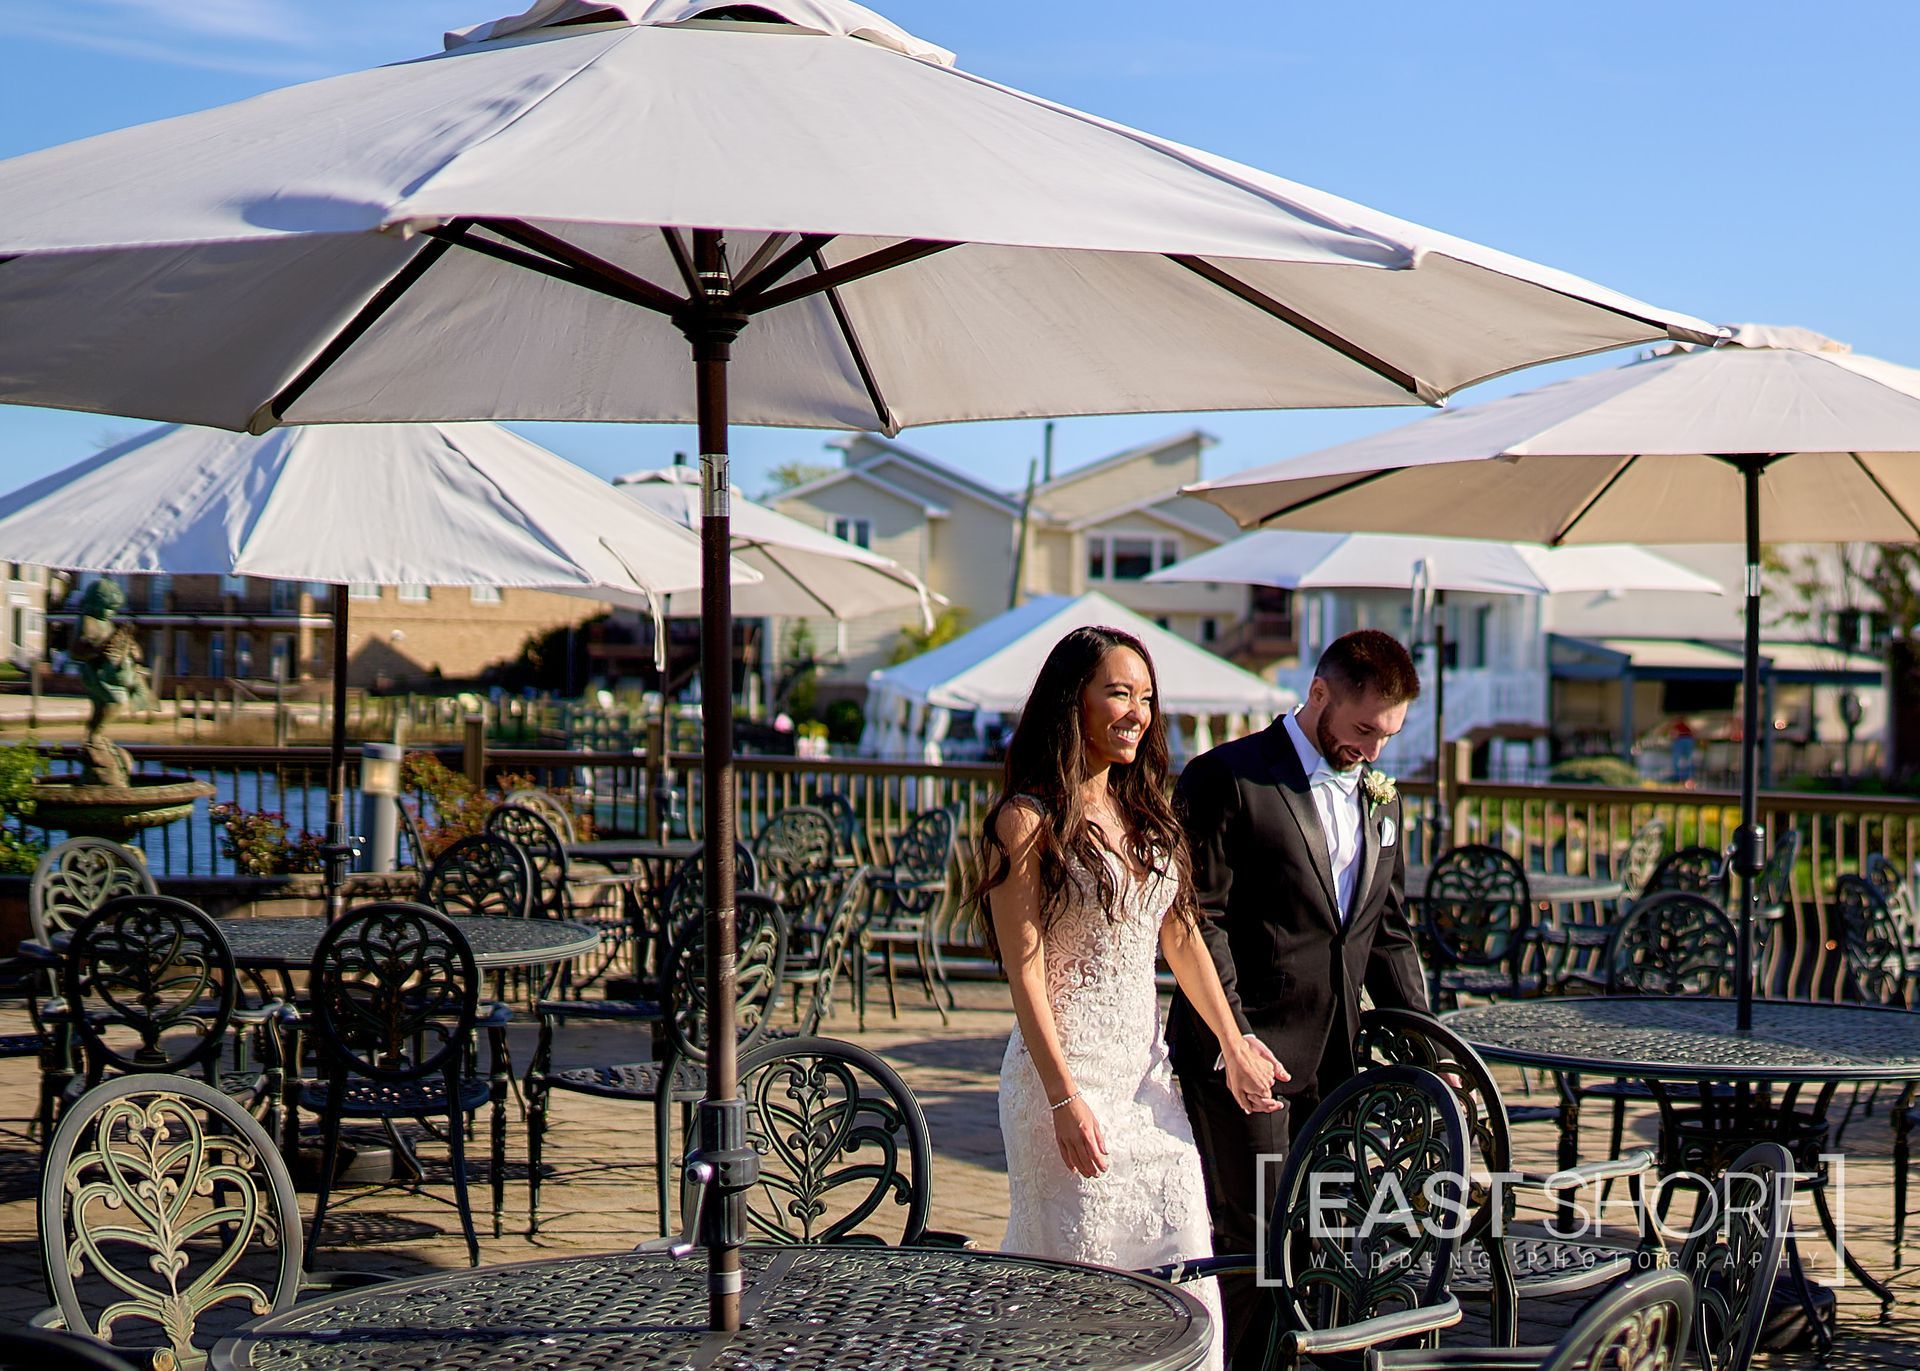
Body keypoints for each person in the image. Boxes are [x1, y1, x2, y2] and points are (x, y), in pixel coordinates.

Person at [975, 626, 1282, 1371]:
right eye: (1118, 691)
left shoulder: (1148, 814)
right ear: (1070, 699)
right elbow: (1026, 973)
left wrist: (1235, 1042)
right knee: (1081, 1296)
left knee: (1185, 1257)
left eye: (1146, 697)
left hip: (1146, 1085)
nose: (1137, 712)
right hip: (1063, 1084)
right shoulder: (1026, 819)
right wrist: (1061, 1097)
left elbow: (1183, 937)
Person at [1166, 628, 1431, 1367]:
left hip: (1340, 1063)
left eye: (1389, 735)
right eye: (1363, 729)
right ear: (1319, 694)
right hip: (1247, 1059)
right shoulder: (1227, 777)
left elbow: (1388, 935)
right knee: (1254, 1245)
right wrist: (1234, 1042)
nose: (1374, 751)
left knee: (1326, 1239)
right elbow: (1199, 919)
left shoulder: (1382, 796)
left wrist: (1429, 1049)